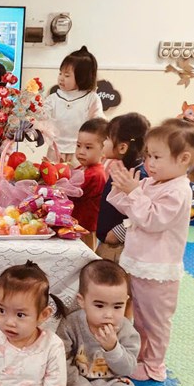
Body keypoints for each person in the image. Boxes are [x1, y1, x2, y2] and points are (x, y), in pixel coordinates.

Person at [107, 118, 194, 382]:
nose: (150, 163)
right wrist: (121, 189)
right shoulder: (153, 183)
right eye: (148, 155)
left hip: (159, 270)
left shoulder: (179, 191)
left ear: (183, 159)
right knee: (139, 319)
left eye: (157, 157)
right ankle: (140, 356)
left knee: (156, 322)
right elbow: (132, 209)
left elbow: (152, 219)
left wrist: (134, 192)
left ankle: (155, 366)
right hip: (139, 262)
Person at [96, 113, 151, 262]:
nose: (103, 142)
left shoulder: (137, 176)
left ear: (122, 147)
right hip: (108, 243)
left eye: (107, 138)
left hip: (119, 248)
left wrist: (118, 233)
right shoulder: (122, 169)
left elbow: (143, 213)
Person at [43, 46, 105, 165]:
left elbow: (98, 124)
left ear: (82, 77)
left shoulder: (91, 98)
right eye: (60, 73)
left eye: (67, 75)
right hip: (55, 151)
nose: (61, 78)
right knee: (52, 176)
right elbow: (41, 117)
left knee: (78, 176)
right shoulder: (53, 99)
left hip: (80, 153)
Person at [70, 118, 108, 250]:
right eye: (78, 145)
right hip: (75, 226)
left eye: (88, 147)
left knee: (84, 258)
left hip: (85, 229)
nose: (81, 151)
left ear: (104, 150)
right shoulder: (81, 168)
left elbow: (70, 192)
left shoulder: (95, 174)